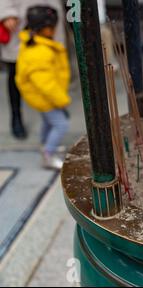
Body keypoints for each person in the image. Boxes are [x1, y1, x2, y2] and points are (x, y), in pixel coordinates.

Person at [0, 0, 65, 140]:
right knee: (17, 75)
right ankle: (16, 116)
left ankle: (54, 106)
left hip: (49, 18)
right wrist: (6, 13)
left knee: (52, 69)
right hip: (20, 22)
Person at [15, 6, 71, 170]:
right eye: (52, 27)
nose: (54, 30)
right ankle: (48, 154)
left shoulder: (37, 44)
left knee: (48, 122)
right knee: (61, 125)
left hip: (42, 96)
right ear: (44, 29)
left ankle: (45, 144)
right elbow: (46, 84)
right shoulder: (39, 53)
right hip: (46, 97)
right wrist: (62, 100)